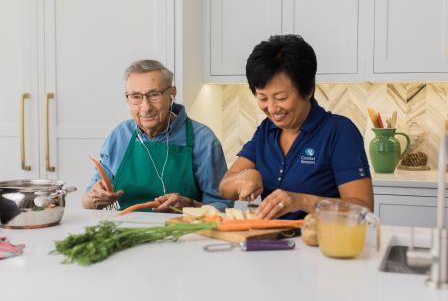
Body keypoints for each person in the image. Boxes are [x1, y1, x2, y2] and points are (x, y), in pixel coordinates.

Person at [219, 34, 373, 220]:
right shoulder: (266, 130)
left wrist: (301, 201)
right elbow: (224, 187)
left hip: (320, 245)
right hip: (271, 242)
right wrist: (242, 178)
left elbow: (364, 209)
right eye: (263, 98)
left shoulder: (339, 132)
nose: (272, 108)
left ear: (308, 90)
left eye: (281, 98)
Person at [83, 60, 232, 212]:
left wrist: (190, 205)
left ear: (171, 93)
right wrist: (95, 199)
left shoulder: (203, 140)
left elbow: (222, 207)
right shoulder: (120, 135)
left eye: (154, 95)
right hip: (122, 231)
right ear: (127, 98)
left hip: (184, 232)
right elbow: (86, 201)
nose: (146, 107)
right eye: (136, 97)